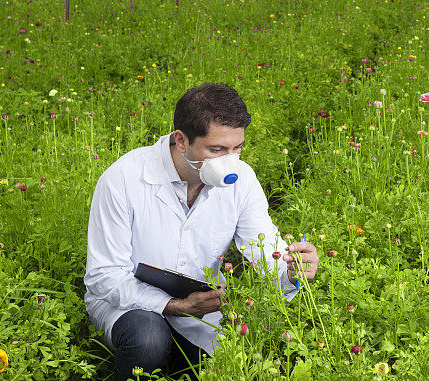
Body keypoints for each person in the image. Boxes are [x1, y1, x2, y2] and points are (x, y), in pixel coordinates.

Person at [84, 83, 319, 381]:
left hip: (201, 306)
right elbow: (105, 276)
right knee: (148, 340)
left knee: (226, 365)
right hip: (125, 302)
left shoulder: (242, 180)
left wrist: (291, 271)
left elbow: (264, 249)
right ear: (182, 141)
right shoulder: (123, 178)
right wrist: (176, 306)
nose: (230, 161)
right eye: (217, 149)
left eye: (237, 148)